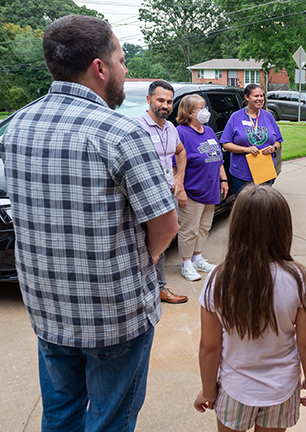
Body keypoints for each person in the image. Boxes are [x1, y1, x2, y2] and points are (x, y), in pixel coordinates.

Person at [0, 15, 178, 431]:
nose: (126, 68)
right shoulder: (120, 133)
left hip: (48, 308)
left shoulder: (16, 126)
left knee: (60, 413)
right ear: (100, 68)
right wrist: (144, 262)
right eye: (120, 58)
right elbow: (166, 226)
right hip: (115, 314)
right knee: (110, 419)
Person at [194, 185, 306, 432]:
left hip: (235, 389)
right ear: (284, 227)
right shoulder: (300, 279)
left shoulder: (218, 279)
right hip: (281, 390)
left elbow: (209, 346)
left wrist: (208, 390)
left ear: (236, 226)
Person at [135, 80, 189, 303]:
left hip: (168, 194)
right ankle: (147, 291)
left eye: (169, 101)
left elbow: (181, 151)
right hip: (147, 196)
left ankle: (158, 289)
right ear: (149, 100)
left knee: (164, 242)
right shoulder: (137, 127)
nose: (165, 105)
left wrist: (179, 179)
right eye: (160, 100)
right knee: (147, 244)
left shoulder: (170, 128)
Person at [175, 95, 229, 282]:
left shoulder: (209, 131)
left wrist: (224, 179)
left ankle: (197, 258)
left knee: (205, 227)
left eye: (205, 106)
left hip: (211, 188)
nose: (205, 110)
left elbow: (218, 158)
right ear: (189, 112)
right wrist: (179, 188)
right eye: (200, 107)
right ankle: (186, 263)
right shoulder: (180, 133)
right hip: (192, 189)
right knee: (189, 229)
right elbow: (176, 164)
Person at [221, 84, 283, 196]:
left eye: (261, 96)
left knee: (264, 205)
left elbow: (278, 140)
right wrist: (246, 149)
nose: (260, 99)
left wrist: (273, 147)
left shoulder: (269, 116)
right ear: (247, 97)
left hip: (265, 171)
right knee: (244, 208)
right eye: (256, 96)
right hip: (242, 173)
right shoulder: (236, 117)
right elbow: (226, 144)